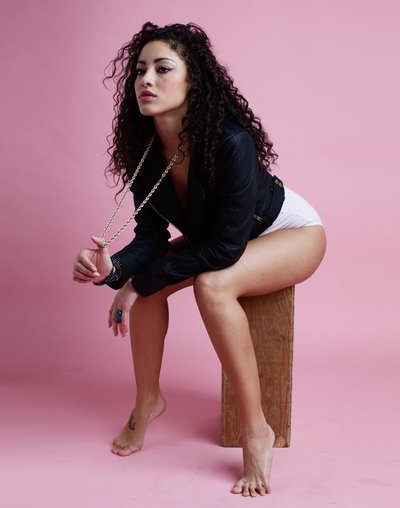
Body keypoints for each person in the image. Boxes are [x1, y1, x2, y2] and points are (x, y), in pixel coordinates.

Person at [72, 22, 326, 498]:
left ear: (194, 81)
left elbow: (225, 251)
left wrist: (140, 281)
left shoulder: (229, 141)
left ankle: (256, 431)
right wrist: (114, 271)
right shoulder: (147, 151)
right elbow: (151, 237)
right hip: (222, 239)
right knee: (146, 285)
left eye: (163, 69)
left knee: (212, 284)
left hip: (290, 234)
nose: (146, 80)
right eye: (140, 70)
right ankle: (148, 401)